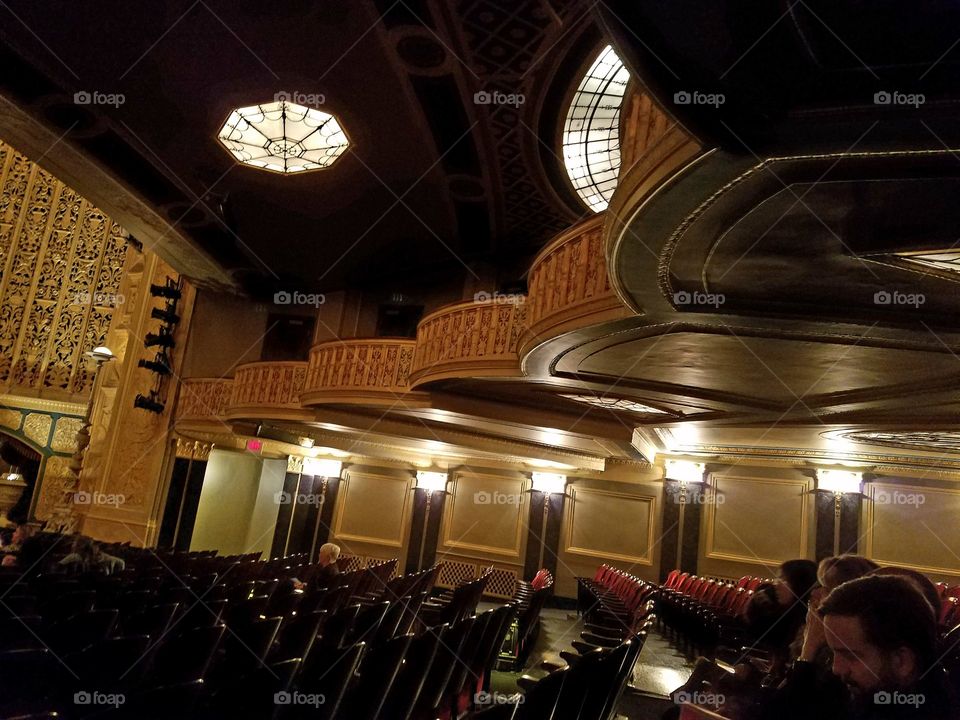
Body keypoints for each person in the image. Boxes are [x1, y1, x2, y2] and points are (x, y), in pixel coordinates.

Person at [762, 575, 955, 719]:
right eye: (834, 652)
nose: (836, 668)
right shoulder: (873, 693)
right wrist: (809, 650)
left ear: (901, 661)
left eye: (850, 656)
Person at [58, 535, 125, 575]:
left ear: (79, 547)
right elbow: (121, 562)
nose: (72, 545)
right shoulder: (103, 556)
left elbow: (58, 567)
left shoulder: (74, 557)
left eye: (74, 543)